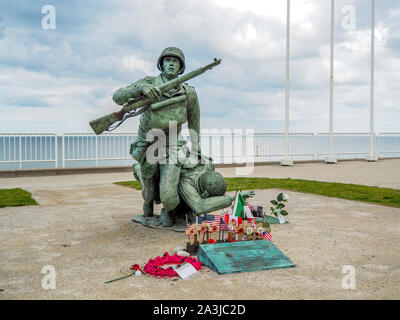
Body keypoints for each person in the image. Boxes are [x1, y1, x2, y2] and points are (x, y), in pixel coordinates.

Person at [113, 47, 201, 227]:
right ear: (161, 64)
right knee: (149, 190)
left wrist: (196, 147)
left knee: (168, 197)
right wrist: (141, 90)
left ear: (181, 67)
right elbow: (118, 97)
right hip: (148, 142)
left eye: (176, 61)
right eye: (168, 60)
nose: (171, 63)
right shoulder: (148, 82)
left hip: (172, 143)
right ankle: (145, 190)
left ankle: (171, 210)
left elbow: (194, 121)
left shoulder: (188, 92)